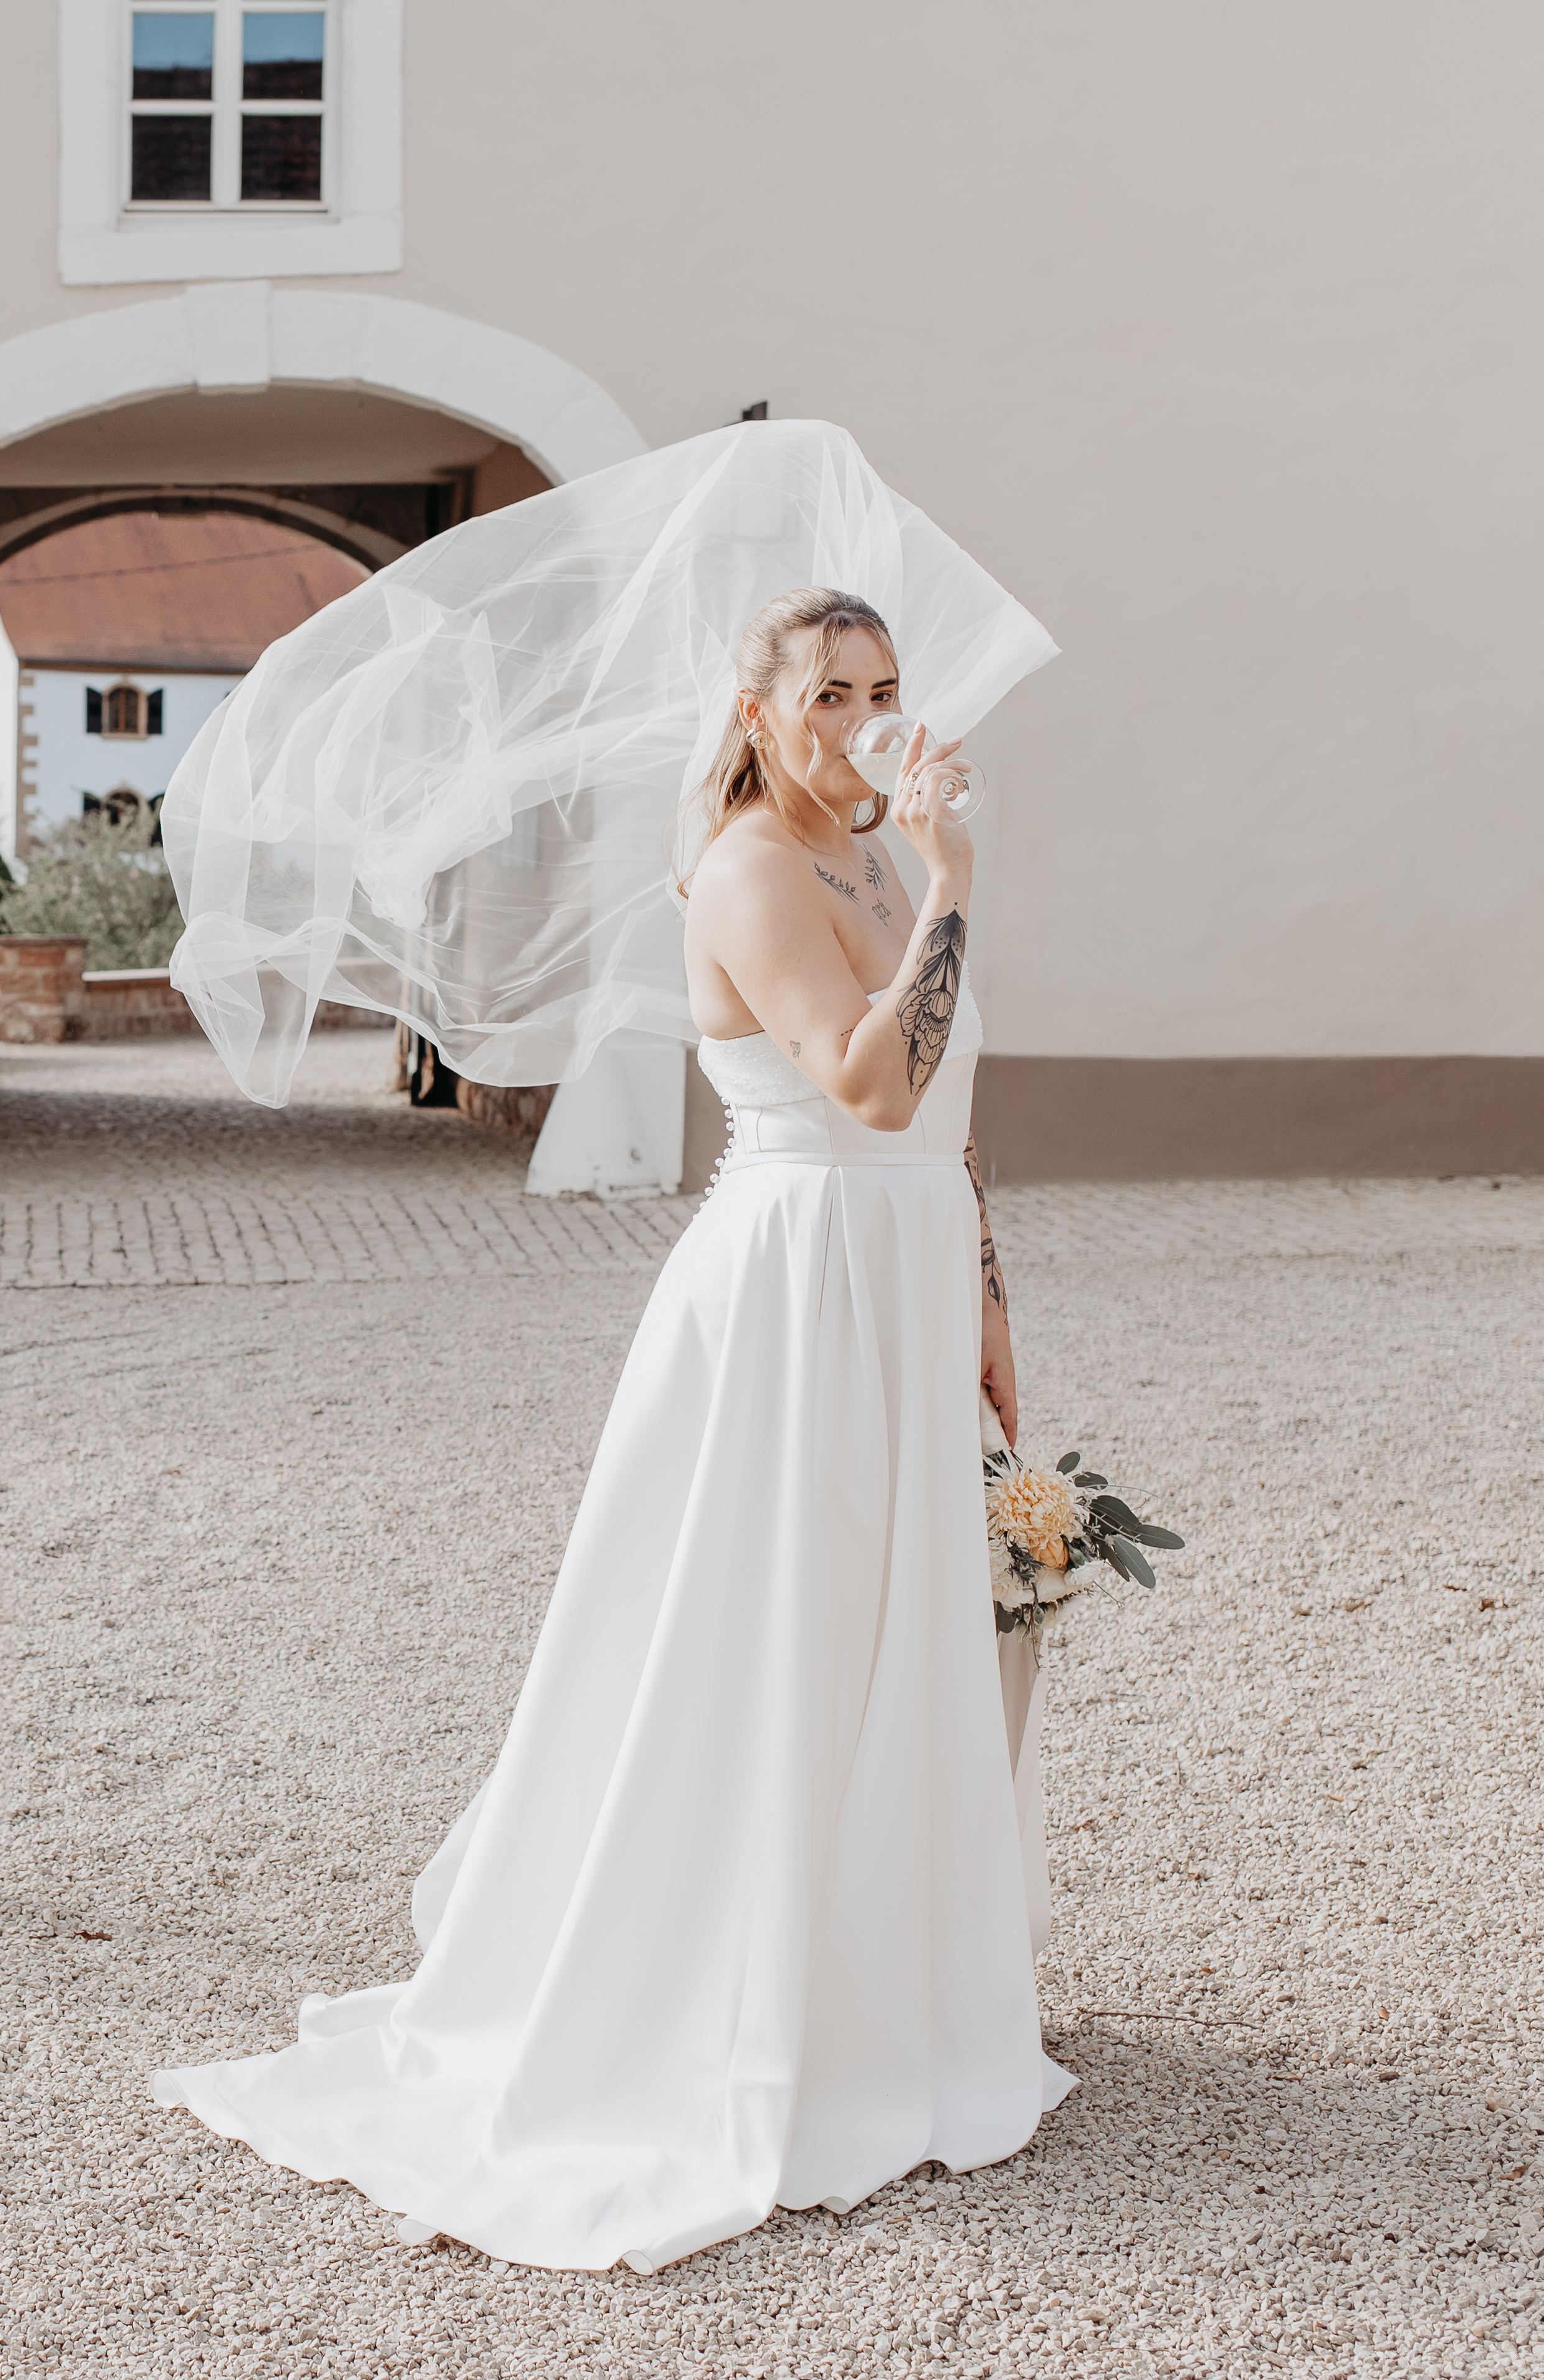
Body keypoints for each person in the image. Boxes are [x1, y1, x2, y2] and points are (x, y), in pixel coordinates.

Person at [151, 584, 1066, 2275]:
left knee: (883, 1623)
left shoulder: (868, 852)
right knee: (771, 1629)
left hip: (909, 1261)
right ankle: (729, 1997)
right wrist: (955, 877)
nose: (862, 717)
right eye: (827, 693)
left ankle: (882, 1969)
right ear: (754, 713)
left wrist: (987, 1290)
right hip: (794, 1293)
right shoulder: (749, 870)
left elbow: (944, 1103)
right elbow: (864, 1084)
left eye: (883, 687)